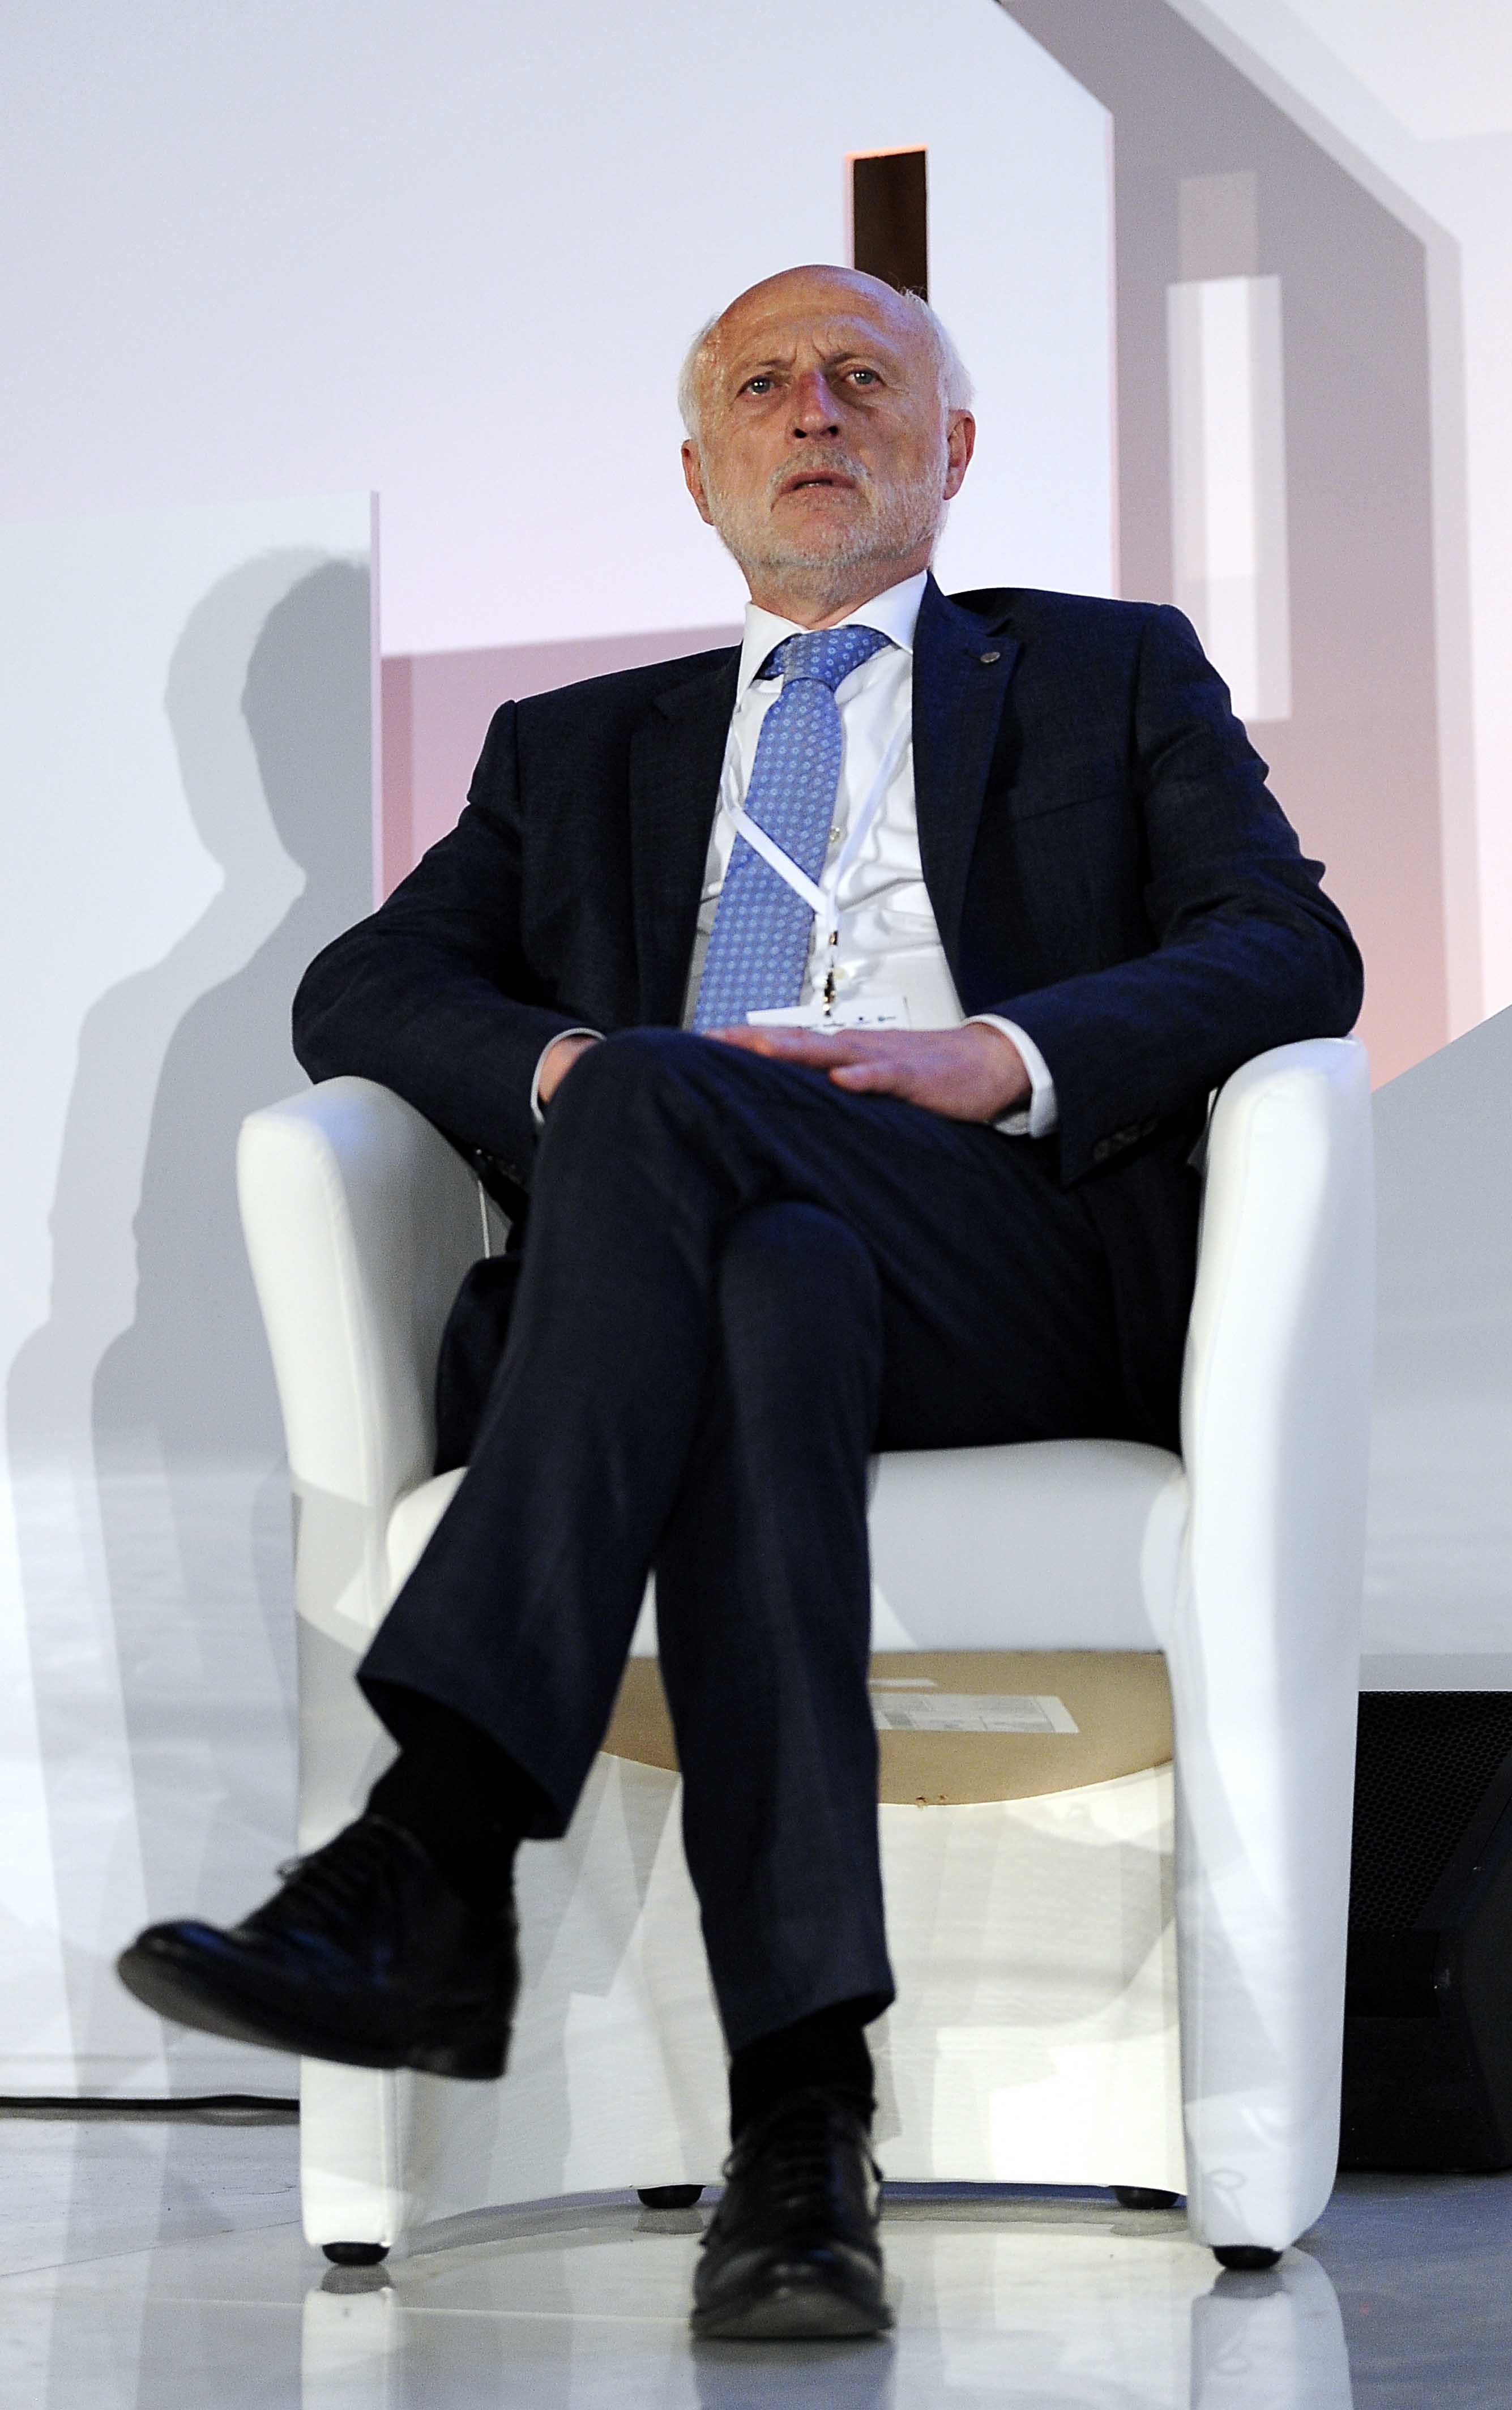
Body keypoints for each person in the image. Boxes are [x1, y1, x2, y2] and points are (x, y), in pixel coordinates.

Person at [118, 265, 1362, 2341]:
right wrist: (569, 1079)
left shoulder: (1108, 670)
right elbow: (364, 987)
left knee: (683, 1127)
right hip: (704, 1273)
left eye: (864, 379)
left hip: (997, 1255)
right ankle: (801, 2130)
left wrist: (1001, 1053)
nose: (815, 411)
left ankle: (437, 1848)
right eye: (764, 386)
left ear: (951, 452)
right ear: (699, 474)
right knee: (756, 1272)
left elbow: (1286, 947)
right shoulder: (572, 747)